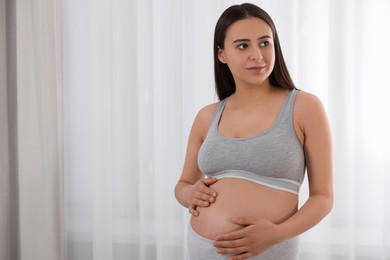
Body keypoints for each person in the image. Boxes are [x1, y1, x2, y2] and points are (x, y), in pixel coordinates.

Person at [174, 3, 333, 260]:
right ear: (222, 54)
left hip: (270, 249)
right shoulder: (207, 116)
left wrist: (277, 234)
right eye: (242, 45)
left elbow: (323, 197)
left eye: (264, 43)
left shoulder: (304, 107)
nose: (257, 55)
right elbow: (182, 184)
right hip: (203, 250)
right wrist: (189, 193)